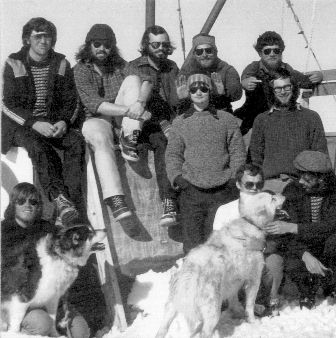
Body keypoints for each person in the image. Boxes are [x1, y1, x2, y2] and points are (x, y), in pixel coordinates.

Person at [74, 24, 176, 227]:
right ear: (89, 46)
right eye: (97, 44)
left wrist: (139, 103)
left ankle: (130, 138)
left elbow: (146, 81)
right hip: (97, 119)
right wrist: (131, 110)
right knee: (99, 138)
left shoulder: (121, 64)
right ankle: (116, 199)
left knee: (133, 79)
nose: (102, 49)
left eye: (107, 45)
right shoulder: (80, 70)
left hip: (125, 121)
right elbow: (95, 104)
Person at [1, 17, 83, 226]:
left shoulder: (62, 63)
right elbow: (8, 104)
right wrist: (34, 123)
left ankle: (67, 206)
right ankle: (59, 198)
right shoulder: (13, 62)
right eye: (38, 36)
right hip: (23, 126)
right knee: (38, 146)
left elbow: (72, 100)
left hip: (53, 123)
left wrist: (64, 122)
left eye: (47, 36)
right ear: (28, 39)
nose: (43, 41)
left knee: (75, 142)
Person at [264, 151, 336, 315]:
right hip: (303, 242)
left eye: (307, 178)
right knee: (292, 259)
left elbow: (329, 226)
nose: (301, 181)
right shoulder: (292, 190)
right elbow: (286, 234)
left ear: (321, 178)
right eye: (300, 176)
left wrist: (293, 227)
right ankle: (307, 290)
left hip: (328, 238)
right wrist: (305, 255)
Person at [165, 73, 246, 254]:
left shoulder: (226, 119)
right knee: (194, 246)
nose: (199, 92)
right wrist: (179, 179)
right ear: (189, 92)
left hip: (223, 191)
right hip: (192, 192)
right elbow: (173, 155)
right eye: (194, 89)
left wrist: (234, 179)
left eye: (203, 88)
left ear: (210, 91)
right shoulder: (180, 122)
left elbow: (237, 152)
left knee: (223, 244)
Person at [1, 183, 93, 338]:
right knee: (42, 325)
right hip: (19, 299)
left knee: (81, 331)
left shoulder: (48, 230)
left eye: (33, 202)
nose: (27, 205)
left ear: (39, 206)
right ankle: (17, 332)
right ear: (13, 204)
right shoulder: (3, 231)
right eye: (21, 201)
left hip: (49, 296)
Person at [119, 25, 180, 226]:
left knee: (165, 144)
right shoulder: (134, 65)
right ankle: (168, 201)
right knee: (159, 142)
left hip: (164, 122)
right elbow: (135, 97)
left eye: (164, 44)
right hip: (139, 120)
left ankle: (169, 202)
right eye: (155, 44)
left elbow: (175, 100)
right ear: (146, 45)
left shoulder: (171, 67)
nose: (161, 48)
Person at [248, 68, 328, 194]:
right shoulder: (261, 120)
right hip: (270, 186)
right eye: (278, 88)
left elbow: (320, 153)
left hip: (302, 186)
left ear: (294, 88)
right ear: (271, 91)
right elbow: (256, 158)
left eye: (287, 87)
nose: (283, 92)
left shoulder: (311, 117)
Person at [233, 31, 323, 137]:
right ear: (260, 54)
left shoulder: (286, 69)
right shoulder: (254, 67)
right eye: (267, 51)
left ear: (281, 52)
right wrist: (244, 82)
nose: (272, 54)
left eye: (276, 50)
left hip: (277, 115)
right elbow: (245, 78)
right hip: (251, 115)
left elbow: (304, 81)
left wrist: (320, 75)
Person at [178, 33, 242, 114]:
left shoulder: (227, 70)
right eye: (199, 51)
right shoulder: (186, 71)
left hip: (220, 113)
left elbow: (236, 95)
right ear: (194, 54)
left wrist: (220, 94)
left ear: (215, 52)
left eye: (208, 51)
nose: (204, 55)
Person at [212, 163, 264, 231]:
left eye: (259, 184)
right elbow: (217, 238)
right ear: (238, 185)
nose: (254, 188)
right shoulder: (225, 210)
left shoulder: (269, 209)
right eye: (249, 184)